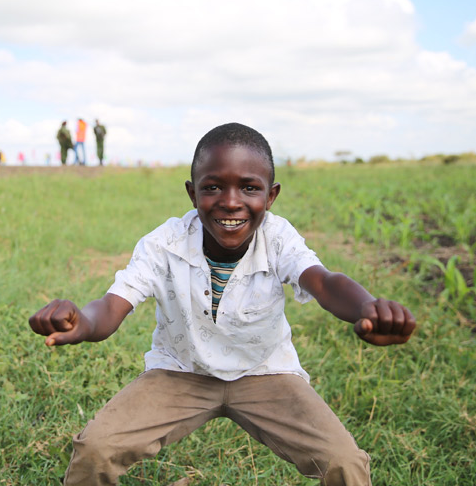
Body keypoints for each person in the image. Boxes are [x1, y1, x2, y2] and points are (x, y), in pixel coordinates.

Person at [29, 123, 416, 486]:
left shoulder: (277, 238)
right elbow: (111, 307)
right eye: (213, 188)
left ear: (271, 195)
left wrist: (367, 307)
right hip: (181, 372)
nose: (231, 203)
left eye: (249, 188)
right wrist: (82, 321)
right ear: (192, 192)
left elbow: (324, 282)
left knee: (343, 461)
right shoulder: (165, 243)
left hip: (265, 373)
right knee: (96, 448)